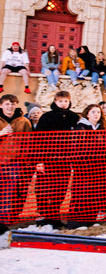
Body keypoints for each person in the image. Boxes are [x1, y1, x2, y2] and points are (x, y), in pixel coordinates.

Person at [33, 90, 79, 227]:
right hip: (48, 158)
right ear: (55, 101)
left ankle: (55, 215)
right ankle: (43, 215)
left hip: (65, 160)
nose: (63, 104)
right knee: (44, 188)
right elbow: (38, 140)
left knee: (61, 188)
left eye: (66, 101)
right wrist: (39, 160)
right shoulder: (46, 117)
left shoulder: (74, 117)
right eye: (60, 101)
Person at [0, 94, 32, 226]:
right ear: (1, 105)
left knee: (11, 190)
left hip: (15, 162)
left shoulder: (24, 121)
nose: (10, 107)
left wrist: (24, 160)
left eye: (13, 104)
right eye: (7, 104)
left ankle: (4, 219)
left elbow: (29, 143)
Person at [70, 104, 106, 223]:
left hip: (98, 166)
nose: (96, 114)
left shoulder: (102, 128)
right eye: (93, 112)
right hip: (83, 166)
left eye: (98, 112)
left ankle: (92, 218)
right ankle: (78, 218)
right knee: (82, 192)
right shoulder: (81, 127)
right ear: (87, 113)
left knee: (95, 192)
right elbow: (76, 147)